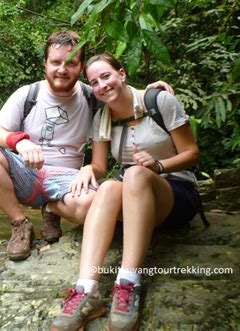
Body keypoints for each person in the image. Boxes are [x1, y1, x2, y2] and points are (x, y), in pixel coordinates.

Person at [0, 31, 173, 261]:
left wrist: (150, 92)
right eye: (55, 62)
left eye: (71, 63)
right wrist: (20, 141)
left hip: (67, 179)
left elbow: (122, 94)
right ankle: (20, 224)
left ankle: (51, 209)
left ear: (81, 67)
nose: (62, 69)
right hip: (27, 171)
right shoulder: (28, 94)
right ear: (44, 64)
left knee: (94, 207)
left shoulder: (91, 96)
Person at [50, 53, 200, 331]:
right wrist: (87, 171)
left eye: (106, 76)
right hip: (135, 195)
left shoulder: (159, 100)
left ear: (122, 74)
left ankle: (128, 282)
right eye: (94, 82)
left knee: (134, 174)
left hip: (175, 191)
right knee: (108, 186)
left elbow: (192, 153)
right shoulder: (102, 118)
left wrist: (157, 165)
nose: (101, 85)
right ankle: (87, 290)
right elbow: (99, 166)